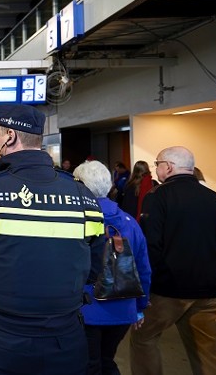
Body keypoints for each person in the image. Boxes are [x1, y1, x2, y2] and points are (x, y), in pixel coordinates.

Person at [0, 104, 104, 375]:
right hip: (66, 339)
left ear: (10, 136)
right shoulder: (83, 197)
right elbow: (94, 272)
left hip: (0, 340)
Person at [130, 146, 216, 375]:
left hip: (168, 290)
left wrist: (146, 289)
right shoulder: (215, 199)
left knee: (144, 338)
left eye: (157, 164)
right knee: (208, 349)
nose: (156, 169)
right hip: (208, 289)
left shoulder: (158, 197)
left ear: (169, 167)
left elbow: (150, 247)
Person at [73, 161, 151, 375]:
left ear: (79, 186)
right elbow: (143, 268)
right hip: (123, 308)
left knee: (87, 364)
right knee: (107, 361)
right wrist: (139, 307)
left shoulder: (75, 222)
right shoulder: (130, 222)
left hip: (84, 309)